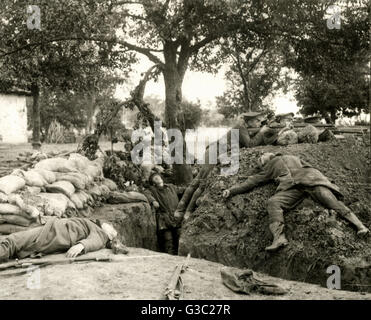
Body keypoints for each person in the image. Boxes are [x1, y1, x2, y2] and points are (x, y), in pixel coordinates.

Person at [222, 152, 369, 252]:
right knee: (329, 201)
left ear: (266, 160)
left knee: (274, 202)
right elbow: (310, 166)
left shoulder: (271, 164)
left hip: (304, 182)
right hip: (305, 182)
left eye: (261, 162)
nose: (261, 164)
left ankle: (279, 237)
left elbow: (252, 181)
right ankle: (360, 226)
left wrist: (232, 190)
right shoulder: (293, 157)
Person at [175, 111, 278, 220]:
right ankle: (185, 211)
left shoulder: (244, 129)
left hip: (218, 152)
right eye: (257, 121)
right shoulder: (240, 128)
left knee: (200, 181)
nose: (259, 123)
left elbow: (256, 142)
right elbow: (250, 144)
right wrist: (262, 132)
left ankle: (184, 211)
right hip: (215, 151)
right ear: (250, 121)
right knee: (201, 182)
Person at [0, 217, 128, 263]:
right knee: (19, 242)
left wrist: (81, 246)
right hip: (55, 229)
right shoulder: (96, 226)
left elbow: (95, 241)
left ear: (109, 235)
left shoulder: (102, 234)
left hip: (57, 233)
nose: (110, 225)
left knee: (13, 241)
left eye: (111, 228)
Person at [143, 173, 185, 255]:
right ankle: (169, 257)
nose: (157, 178)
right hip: (164, 218)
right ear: (153, 183)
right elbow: (146, 193)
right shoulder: (152, 190)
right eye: (155, 178)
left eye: (158, 176)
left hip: (176, 216)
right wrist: (153, 201)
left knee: (179, 236)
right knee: (168, 240)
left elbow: (183, 190)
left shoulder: (171, 187)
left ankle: (180, 256)